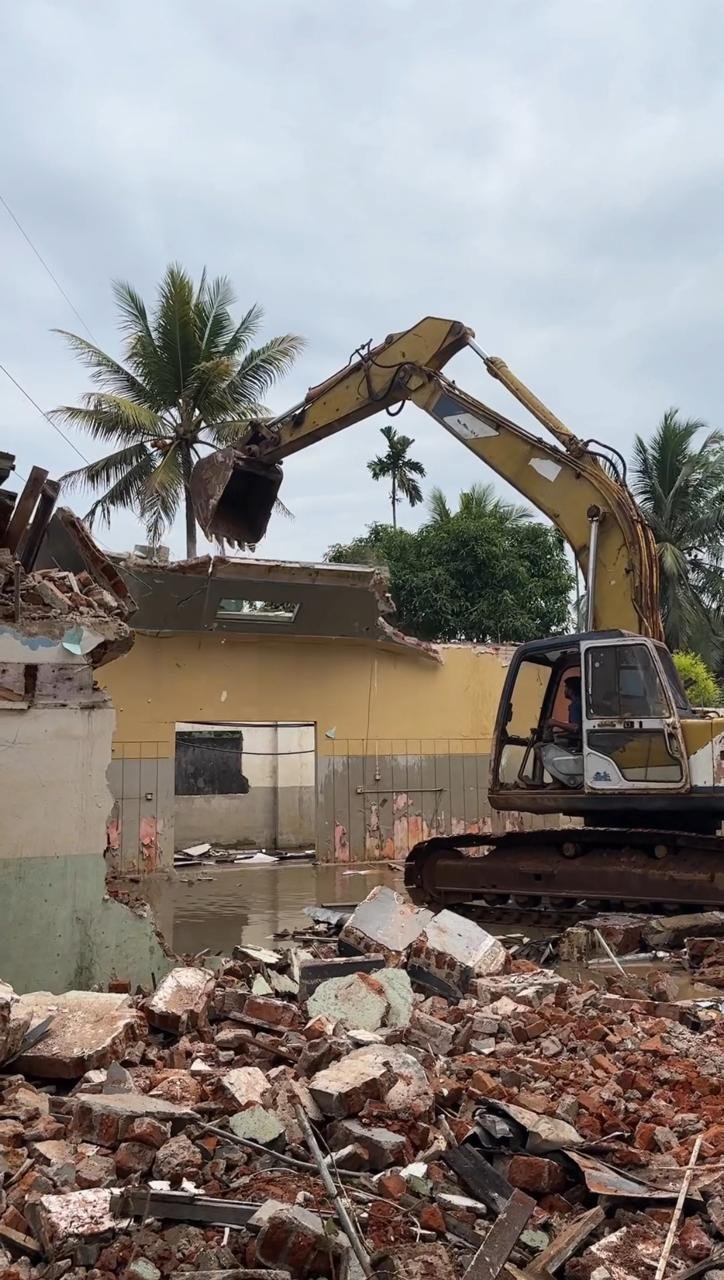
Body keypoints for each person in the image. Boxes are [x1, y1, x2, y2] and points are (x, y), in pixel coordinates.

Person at [537, 675, 583, 787]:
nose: (565, 690)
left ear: (571, 690)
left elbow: (575, 728)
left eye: (566, 687)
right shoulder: (580, 703)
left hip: (576, 742)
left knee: (539, 747)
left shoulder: (575, 705)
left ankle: (557, 780)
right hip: (577, 739)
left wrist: (554, 723)